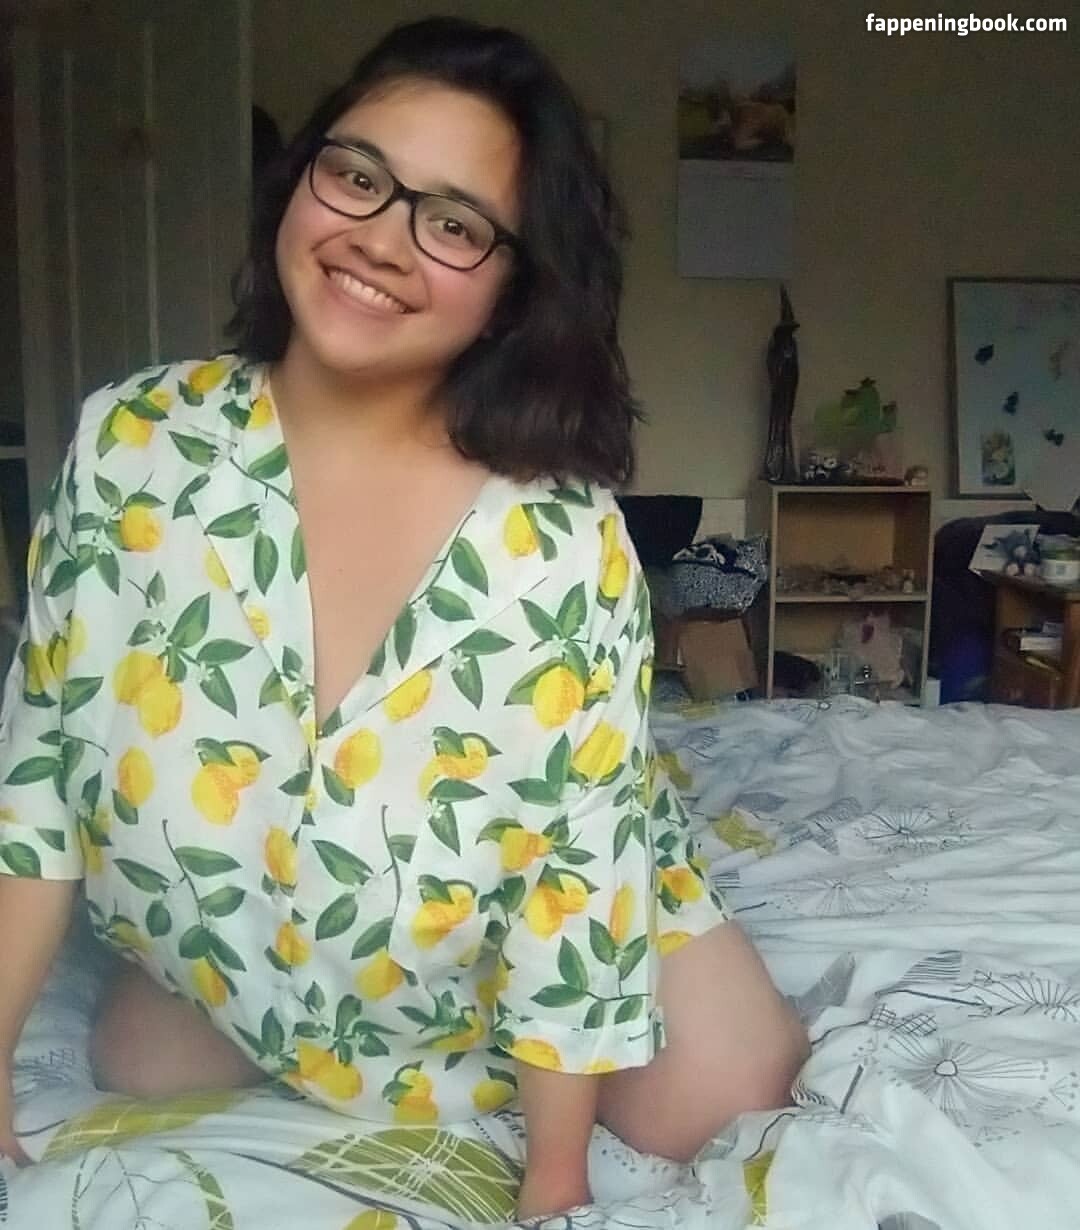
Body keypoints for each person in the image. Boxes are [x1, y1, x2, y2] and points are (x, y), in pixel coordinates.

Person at [0, 17, 807, 1220]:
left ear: (513, 289)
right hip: (247, 915)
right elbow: (39, 772)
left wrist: (552, 1179)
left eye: (455, 224)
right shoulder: (131, 440)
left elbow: (571, 872)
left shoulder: (560, 535)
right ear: (301, 177)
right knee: (143, 1061)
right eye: (358, 175)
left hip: (503, 908)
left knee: (727, 1092)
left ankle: (480, 1008)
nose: (378, 239)